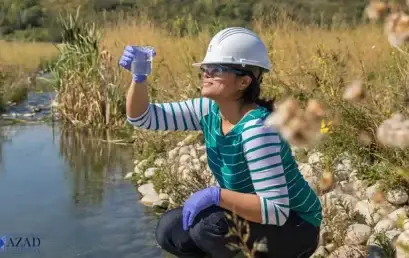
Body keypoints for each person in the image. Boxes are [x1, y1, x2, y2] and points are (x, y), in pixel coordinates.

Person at [119, 27, 322, 258]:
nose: (206, 73)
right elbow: (142, 117)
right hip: (258, 218)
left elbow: (276, 210)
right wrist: (139, 77)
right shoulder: (209, 110)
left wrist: (216, 195)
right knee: (172, 229)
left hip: (297, 227)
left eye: (217, 69)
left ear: (244, 81)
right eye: (206, 68)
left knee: (210, 225)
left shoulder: (258, 129)